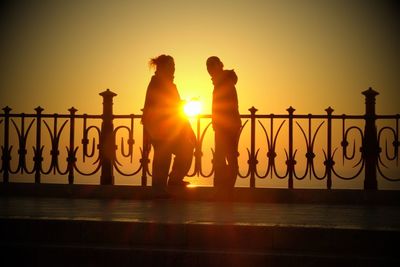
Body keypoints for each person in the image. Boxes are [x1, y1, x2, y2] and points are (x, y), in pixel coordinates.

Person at [142, 55, 195, 196]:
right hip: (159, 129)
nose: (173, 69)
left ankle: (174, 180)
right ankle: (158, 189)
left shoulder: (169, 84)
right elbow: (158, 106)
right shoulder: (157, 84)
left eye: (174, 66)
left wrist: (187, 128)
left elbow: (176, 107)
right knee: (162, 157)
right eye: (171, 66)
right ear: (163, 68)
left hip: (172, 129)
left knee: (186, 149)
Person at [206, 56, 241, 196]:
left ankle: (225, 189)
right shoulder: (222, 81)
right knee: (224, 157)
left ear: (219, 66)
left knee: (228, 156)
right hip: (224, 125)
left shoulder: (224, 82)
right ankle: (223, 188)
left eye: (211, 66)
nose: (209, 70)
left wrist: (220, 122)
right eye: (207, 67)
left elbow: (225, 106)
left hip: (227, 125)